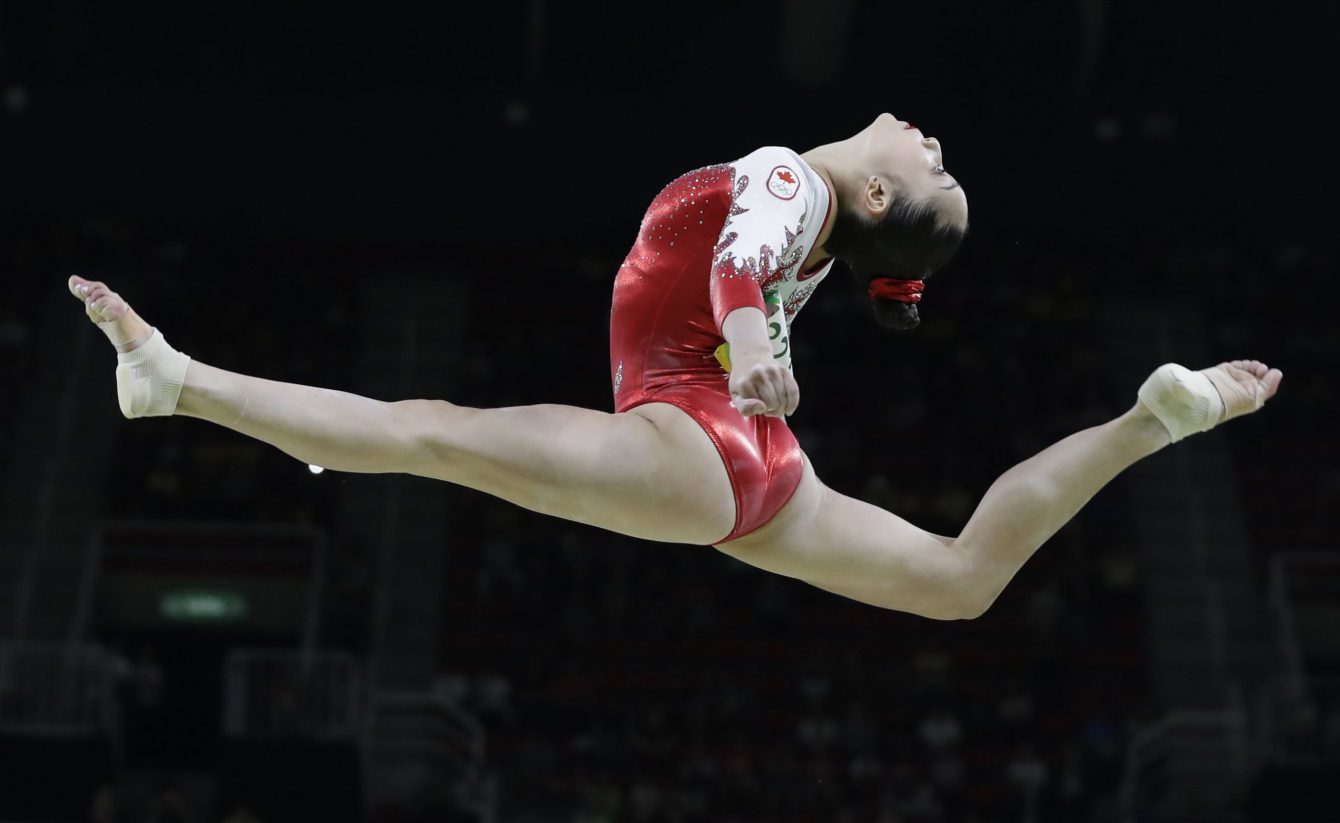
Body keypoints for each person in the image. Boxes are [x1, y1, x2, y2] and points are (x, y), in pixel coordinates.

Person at [68, 112, 1283, 621]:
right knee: (959, 580)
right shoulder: (831, 218)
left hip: (698, 430)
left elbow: (738, 266)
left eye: (932, 168)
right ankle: (1149, 421)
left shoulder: (790, 180)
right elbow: (809, 271)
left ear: (872, 192)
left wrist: (751, 351)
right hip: (756, 472)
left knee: (424, 431)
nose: (931, 142)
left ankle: (172, 378)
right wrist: (781, 342)